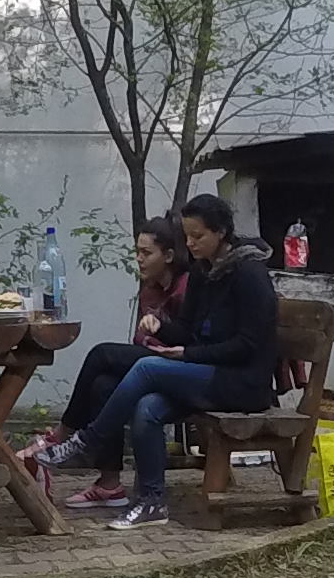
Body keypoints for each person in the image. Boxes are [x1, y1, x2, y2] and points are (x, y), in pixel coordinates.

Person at [83, 195, 280, 531]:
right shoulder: (203, 272)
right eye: (187, 236)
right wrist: (161, 327)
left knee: (147, 368)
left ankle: (89, 440)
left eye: (198, 236)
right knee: (147, 407)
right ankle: (152, 502)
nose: (190, 243)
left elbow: (248, 346)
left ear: (221, 232)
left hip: (243, 383)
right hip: (207, 375)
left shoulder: (249, 274)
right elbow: (188, 330)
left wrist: (187, 355)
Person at [26, 218, 192, 507]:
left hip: (177, 366)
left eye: (146, 253)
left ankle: (62, 435)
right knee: (103, 385)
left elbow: (187, 337)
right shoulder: (150, 288)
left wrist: (159, 336)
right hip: (149, 363)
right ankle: (109, 484)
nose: (139, 259)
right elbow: (140, 339)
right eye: (137, 251)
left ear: (168, 255)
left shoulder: (185, 288)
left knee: (101, 354)